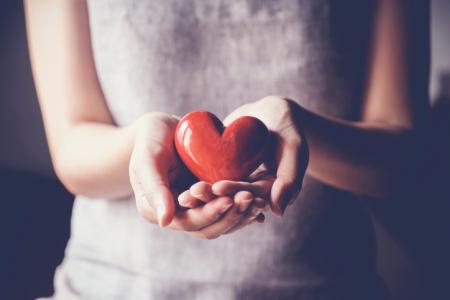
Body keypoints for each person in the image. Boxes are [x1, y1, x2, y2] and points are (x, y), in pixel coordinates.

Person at [25, 0, 429, 299]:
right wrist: (139, 145)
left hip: (326, 286)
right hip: (109, 286)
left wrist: (301, 131)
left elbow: (401, 163)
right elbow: (71, 149)